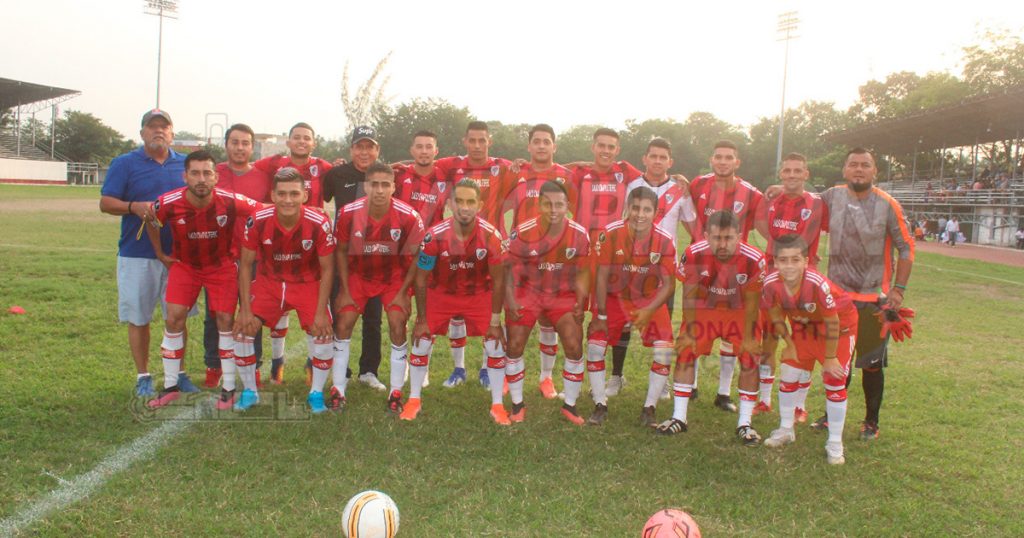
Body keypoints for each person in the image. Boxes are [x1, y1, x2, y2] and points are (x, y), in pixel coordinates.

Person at [145, 150, 261, 409]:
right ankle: (170, 386)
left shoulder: (230, 200)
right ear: (185, 175)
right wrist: (160, 254)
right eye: (195, 173)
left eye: (207, 173)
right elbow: (151, 220)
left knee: (224, 321)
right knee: (173, 317)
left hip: (221, 267)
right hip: (185, 267)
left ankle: (229, 388)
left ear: (216, 177)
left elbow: (261, 211)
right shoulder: (168, 202)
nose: (201, 179)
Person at [813, 147, 914, 440]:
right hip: (837, 298)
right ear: (845, 170)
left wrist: (899, 288)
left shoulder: (888, 204)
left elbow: (906, 246)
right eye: (853, 165)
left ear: (874, 172)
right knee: (836, 361)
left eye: (865, 165)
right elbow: (803, 207)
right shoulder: (832, 197)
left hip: (873, 301)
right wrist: (779, 190)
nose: (859, 169)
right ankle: (831, 415)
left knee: (871, 364)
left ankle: (871, 422)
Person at [100, 109, 196, 397]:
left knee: (177, 317)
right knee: (139, 318)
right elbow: (105, 202)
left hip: (180, 256)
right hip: (137, 253)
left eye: (163, 127)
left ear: (172, 132)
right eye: (152, 127)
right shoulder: (125, 163)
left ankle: (178, 373)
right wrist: (133, 207)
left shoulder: (185, 164)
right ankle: (143, 375)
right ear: (142, 133)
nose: (158, 132)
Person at [657, 210, 766, 448]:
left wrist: (748, 337)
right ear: (706, 235)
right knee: (685, 352)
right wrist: (690, 329)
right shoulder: (694, 253)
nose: (722, 244)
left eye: (728, 238)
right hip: (705, 308)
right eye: (716, 238)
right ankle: (679, 417)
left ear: (739, 236)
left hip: (739, 311)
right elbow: (689, 295)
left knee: (750, 357)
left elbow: (753, 302)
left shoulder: (754, 258)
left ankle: (745, 422)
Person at [234, 168, 336, 412]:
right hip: (270, 283)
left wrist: (322, 312)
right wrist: (245, 309)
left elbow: (328, 269)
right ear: (273, 195)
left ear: (304, 195)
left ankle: (316, 393)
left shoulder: (319, 222)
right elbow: (246, 265)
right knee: (242, 331)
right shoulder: (257, 219)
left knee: (322, 333)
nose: (288, 199)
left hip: (307, 284)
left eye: (294, 193)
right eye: (282, 194)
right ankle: (250, 391)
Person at [407, 180, 509, 423]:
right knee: (421, 340)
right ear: (450, 204)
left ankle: (497, 405)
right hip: (441, 294)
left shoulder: (491, 236)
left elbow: (498, 282)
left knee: (495, 343)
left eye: (470, 202)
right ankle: (413, 400)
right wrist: (421, 319)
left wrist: (496, 321)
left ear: (480, 205)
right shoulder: (434, 236)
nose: (464, 207)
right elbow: (420, 279)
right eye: (459, 201)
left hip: (477, 295)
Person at [332, 162, 425, 415]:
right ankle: (338, 390)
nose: (380, 190)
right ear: (366, 186)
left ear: (394, 187)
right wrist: (343, 288)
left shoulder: (408, 215)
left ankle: (395, 392)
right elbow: (340, 250)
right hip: (359, 276)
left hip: (393, 278)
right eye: (375, 184)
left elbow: (416, 256)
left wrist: (404, 292)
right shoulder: (349, 213)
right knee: (343, 324)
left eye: (386, 184)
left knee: (397, 324)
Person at [686, 141, 768, 413]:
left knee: (731, 332)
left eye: (728, 158)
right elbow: (682, 196)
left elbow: (764, 219)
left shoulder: (751, 193)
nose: (722, 162)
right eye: (718, 157)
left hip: (736, 271)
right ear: (712, 159)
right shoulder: (698, 184)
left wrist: (777, 192)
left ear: (737, 162)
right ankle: (693, 385)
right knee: (697, 324)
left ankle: (723, 392)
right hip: (703, 268)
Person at [760, 235, 857, 465]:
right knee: (789, 373)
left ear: (806, 261)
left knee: (834, 379)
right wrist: (790, 344)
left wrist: (831, 358)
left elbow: (833, 321)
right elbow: (774, 314)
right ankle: (786, 429)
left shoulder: (816, 283)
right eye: (784, 260)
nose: (789, 266)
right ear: (775, 261)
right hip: (805, 329)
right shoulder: (770, 283)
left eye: (795, 260)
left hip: (839, 330)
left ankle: (835, 443)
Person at [432, 121, 515, 389]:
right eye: (473, 141)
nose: (477, 145)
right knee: (458, 313)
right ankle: (459, 368)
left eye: (482, 140)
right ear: (464, 141)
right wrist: (396, 166)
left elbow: (543, 170)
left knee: (489, 310)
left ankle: (485, 369)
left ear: (489, 141)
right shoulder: (451, 165)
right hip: (459, 246)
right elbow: (420, 162)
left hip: (490, 247)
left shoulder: (502, 166)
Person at [589, 187, 677, 427]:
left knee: (664, 349)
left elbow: (669, 284)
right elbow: (601, 276)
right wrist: (602, 314)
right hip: (614, 297)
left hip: (648, 299)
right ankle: (599, 403)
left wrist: (649, 311)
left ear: (655, 212)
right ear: (628, 207)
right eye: (636, 208)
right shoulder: (610, 234)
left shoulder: (665, 240)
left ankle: (649, 407)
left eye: (646, 209)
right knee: (596, 347)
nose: (640, 214)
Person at [504, 180, 590, 424]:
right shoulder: (523, 232)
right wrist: (510, 300)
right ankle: (518, 404)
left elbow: (583, 272)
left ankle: (570, 406)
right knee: (515, 345)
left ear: (568, 206)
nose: (553, 209)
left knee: (574, 345)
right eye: (548, 204)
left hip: (562, 296)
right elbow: (508, 270)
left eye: (559, 204)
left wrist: (580, 301)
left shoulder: (579, 234)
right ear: (539, 205)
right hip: (528, 293)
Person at [201, 123, 279, 389]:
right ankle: (214, 365)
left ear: (251, 146)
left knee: (252, 313)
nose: (240, 147)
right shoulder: (212, 173)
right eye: (235, 142)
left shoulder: (261, 176)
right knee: (216, 313)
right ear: (226, 145)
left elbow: (273, 210)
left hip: (253, 256)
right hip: (217, 257)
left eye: (245, 143)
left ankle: (253, 366)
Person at [617, 138, 697, 398]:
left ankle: (661, 382)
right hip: (631, 268)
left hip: (663, 271)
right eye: (654, 156)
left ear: (670, 162)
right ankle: (616, 376)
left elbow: (694, 229)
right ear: (645, 158)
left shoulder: (680, 190)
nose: (658, 161)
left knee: (662, 328)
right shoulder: (632, 185)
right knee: (623, 326)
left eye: (663, 157)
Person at [501, 124, 576, 400]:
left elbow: (574, 213)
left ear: (554, 146)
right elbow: (498, 203)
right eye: (537, 142)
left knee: (548, 320)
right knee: (516, 316)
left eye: (547, 141)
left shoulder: (567, 176)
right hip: (521, 257)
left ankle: (546, 378)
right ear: (529, 146)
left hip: (554, 259)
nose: (542, 146)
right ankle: (510, 375)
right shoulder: (517, 173)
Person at [570, 128, 644, 399]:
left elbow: (657, 176)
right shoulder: (580, 173)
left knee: (619, 315)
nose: (606, 150)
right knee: (577, 312)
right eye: (601, 145)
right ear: (592, 147)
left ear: (618, 150)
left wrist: (681, 178)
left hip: (615, 254)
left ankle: (616, 375)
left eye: (611, 147)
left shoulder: (626, 172)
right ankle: (576, 374)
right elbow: (556, 168)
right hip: (582, 252)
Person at [757, 152, 828, 420]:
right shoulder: (772, 199)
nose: (792, 175)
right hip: (772, 277)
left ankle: (799, 404)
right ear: (781, 173)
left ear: (806, 174)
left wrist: (787, 256)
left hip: (803, 280)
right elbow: (761, 225)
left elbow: (805, 238)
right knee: (769, 338)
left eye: (798, 171)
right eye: (787, 171)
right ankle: (764, 399)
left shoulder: (816, 203)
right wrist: (776, 253)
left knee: (803, 339)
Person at [322, 126, 387, 391]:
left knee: (373, 319)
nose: (364, 151)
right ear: (351, 150)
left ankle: (369, 371)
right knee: (341, 315)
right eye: (359, 146)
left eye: (369, 146)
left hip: (375, 259)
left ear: (377, 150)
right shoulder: (336, 174)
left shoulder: (384, 175)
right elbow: (319, 199)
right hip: (343, 259)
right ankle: (343, 370)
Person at [253, 122, 332, 208]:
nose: (301, 141)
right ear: (288, 143)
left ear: (314, 144)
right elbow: (245, 167)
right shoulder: (274, 163)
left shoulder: (322, 166)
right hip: (279, 219)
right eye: (296, 138)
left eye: (307, 138)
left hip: (312, 220)